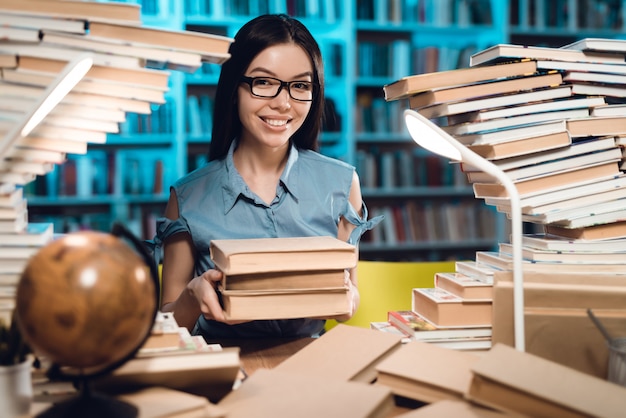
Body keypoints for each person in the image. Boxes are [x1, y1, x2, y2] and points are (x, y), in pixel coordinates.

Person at [152, 14, 380, 340]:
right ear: (235, 89)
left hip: (312, 366)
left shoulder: (342, 185)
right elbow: (167, 326)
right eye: (263, 82)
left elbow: (350, 296)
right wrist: (192, 296)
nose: (283, 103)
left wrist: (346, 301)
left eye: (300, 85)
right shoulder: (188, 197)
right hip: (224, 367)